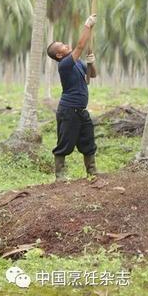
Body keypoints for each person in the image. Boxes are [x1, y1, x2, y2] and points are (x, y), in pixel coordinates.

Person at [46, 15, 98, 181]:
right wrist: (87, 26)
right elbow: (80, 45)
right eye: (62, 46)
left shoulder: (77, 63)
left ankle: (92, 172)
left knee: (88, 142)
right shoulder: (65, 64)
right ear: (59, 56)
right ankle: (60, 176)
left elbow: (92, 76)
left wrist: (91, 63)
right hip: (68, 111)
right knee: (65, 143)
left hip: (81, 111)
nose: (66, 45)